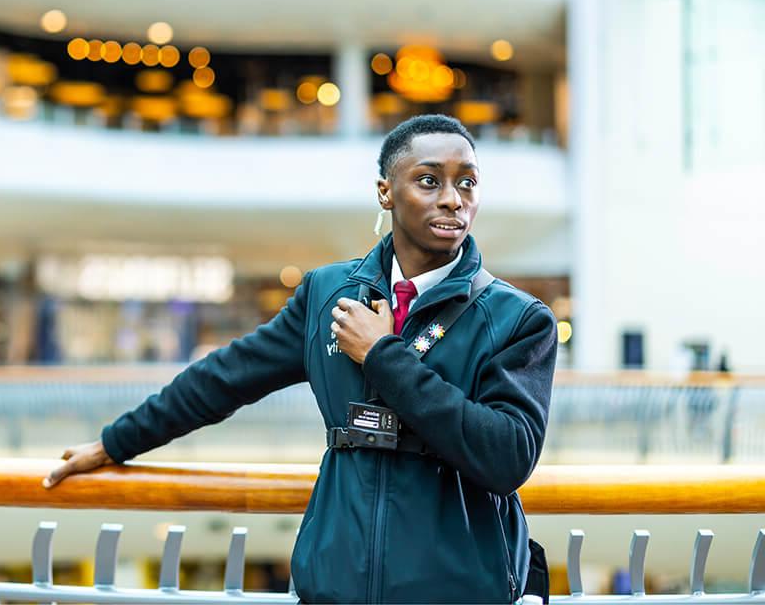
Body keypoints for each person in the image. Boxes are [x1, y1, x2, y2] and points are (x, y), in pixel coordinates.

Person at [43, 114, 558, 604]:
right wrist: (116, 442)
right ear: (385, 191)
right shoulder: (326, 293)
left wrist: (383, 355)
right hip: (332, 586)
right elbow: (224, 378)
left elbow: (508, 456)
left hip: (459, 591)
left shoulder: (519, 318)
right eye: (429, 181)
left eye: (467, 183)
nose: (452, 200)